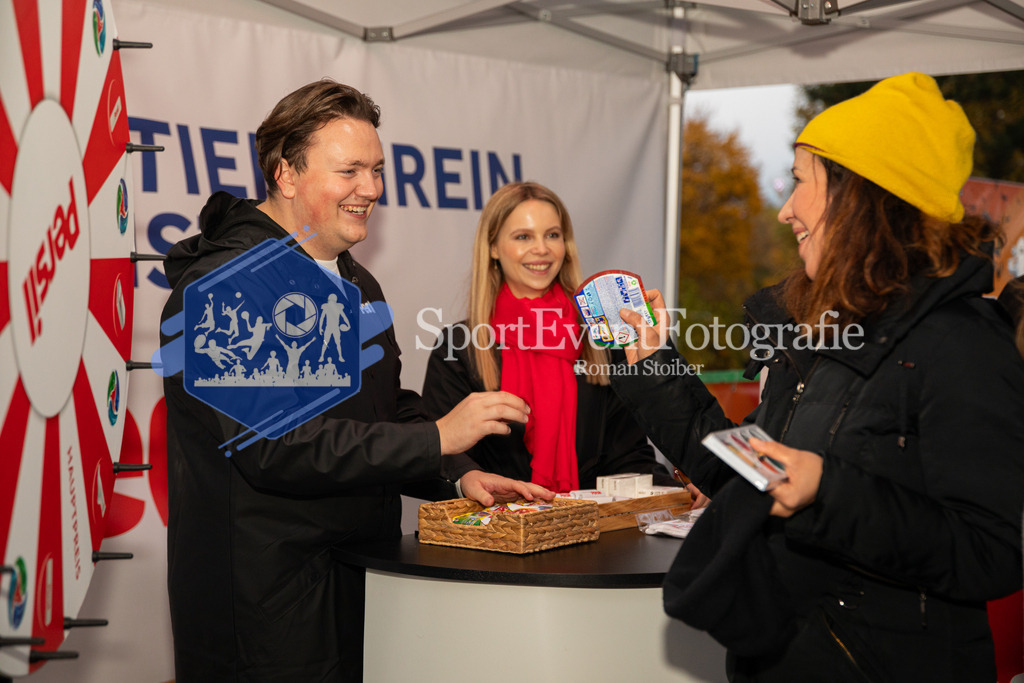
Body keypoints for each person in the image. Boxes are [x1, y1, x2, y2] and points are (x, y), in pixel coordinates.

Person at [613, 72, 1024, 681]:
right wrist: (655, 365)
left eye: (800, 181)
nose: (784, 210)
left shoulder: (962, 341)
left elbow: (989, 554)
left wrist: (827, 493)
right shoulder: (823, 330)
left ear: (859, 193)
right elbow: (744, 476)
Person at [160, 79, 553, 682]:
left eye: (376, 170)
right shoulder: (226, 289)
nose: (370, 189)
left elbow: (386, 405)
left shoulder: (354, 282)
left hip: (355, 579)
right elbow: (275, 447)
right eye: (349, 170)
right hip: (264, 607)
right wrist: (436, 439)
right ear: (286, 175)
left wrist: (458, 471)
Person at [421, 181, 676, 493]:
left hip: (590, 529)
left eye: (552, 235)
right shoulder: (460, 348)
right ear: (493, 247)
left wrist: (676, 491)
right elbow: (441, 456)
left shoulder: (602, 340)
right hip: (498, 533)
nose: (541, 249)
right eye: (523, 236)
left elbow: (627, 455)